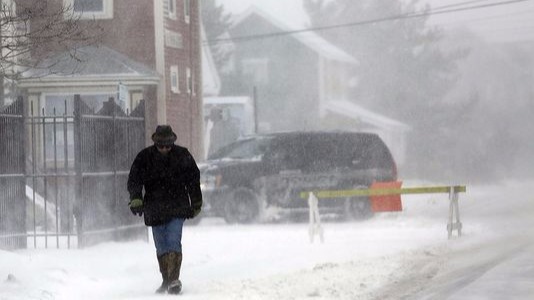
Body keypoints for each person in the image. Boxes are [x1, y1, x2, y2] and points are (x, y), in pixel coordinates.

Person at [127, 125, 202, 295]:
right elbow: (134, 180)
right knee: (161, 245)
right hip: (154, 207)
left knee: (173, 240)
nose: (165, 149)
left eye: (168, 146)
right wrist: (136, 199)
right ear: (155, 143)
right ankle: (166, 279)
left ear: (173, 143)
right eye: (161, 146)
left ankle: (174, 279)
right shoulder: (144, 157)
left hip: (177, 206)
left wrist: (196, 202)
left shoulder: (183, 155)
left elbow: (193, 180)